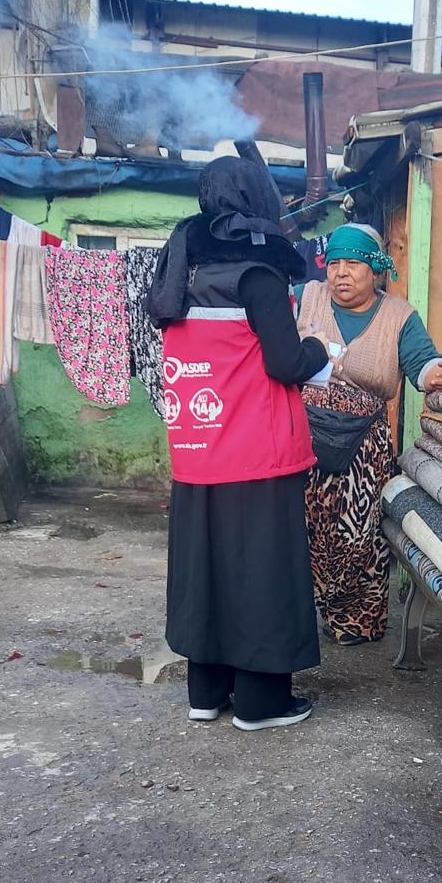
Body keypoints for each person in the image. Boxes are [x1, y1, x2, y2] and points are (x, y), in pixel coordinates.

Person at [147, 157, 332, 730]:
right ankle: (260, 702)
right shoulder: (259, 276)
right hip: (256, 451)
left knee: (207, 572)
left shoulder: (180, 272)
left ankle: (206, 693)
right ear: (258, 200)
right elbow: (284, 363)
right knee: (261, 573)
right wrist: (321, 355)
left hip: (197, 451)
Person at [297, 223, 442, 644]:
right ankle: (294, 616)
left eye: (353, 263)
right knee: (299, 526)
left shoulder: (398, 316)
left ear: (376, 271)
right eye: (334, 263)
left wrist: (441, 373)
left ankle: (353, 620)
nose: (341, 273)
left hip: (362, 446)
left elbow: (422, 363)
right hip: (301, 435)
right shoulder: (305, 298)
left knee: (359, 535)